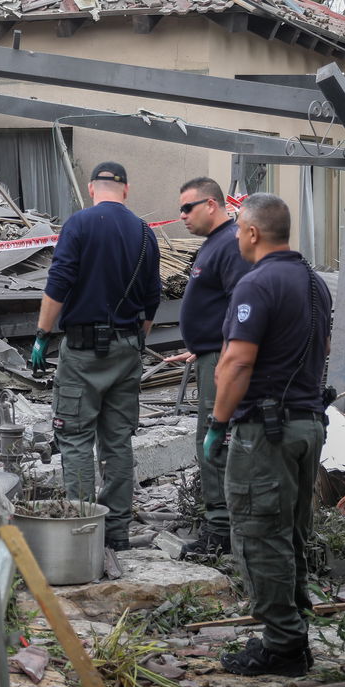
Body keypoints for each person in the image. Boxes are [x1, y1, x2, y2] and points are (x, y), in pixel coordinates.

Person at [203, 193, 332, 677]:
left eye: (238, 229)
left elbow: (237, 360)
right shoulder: (315, 284)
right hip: (306, 424)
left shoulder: (256, 283)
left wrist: (218, 423)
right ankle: (293, 629)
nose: (235, 237)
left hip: (266, 431)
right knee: (292, 532)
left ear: (253, 233)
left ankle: (283, 647)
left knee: (260, 534)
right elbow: (319, 349)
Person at [29, 162, 161, 551]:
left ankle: (83, 533)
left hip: (83, 350)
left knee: (74, 438)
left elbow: (59, 282)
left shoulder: (79, 224)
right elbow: (153, 298)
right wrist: (137, 340)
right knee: (118, 440)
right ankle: (117, 531)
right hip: (126, 348)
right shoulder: (144, 233)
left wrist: (41, 335)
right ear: (127, 190)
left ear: (90, 189)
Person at [166, 177, 252, 559]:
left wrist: (220, 351)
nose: (182, 215)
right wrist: (201, 348)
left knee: (213, 441)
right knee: (213, 441)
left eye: (188, 207)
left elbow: (245, 306)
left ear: (212, 205)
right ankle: (223, 525)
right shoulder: (213, 245)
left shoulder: (230, 246)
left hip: (223, 361)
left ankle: (220, 533)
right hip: (211, 355)